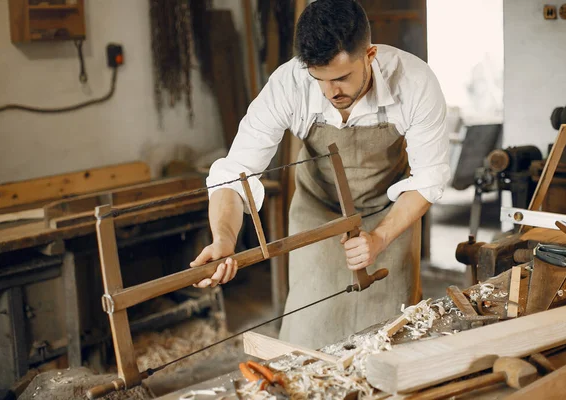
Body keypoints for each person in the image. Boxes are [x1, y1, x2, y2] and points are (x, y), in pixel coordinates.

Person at [190, 0, 450, 349]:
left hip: (389, 213)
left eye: (342, 77)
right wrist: (223, 236)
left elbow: (429, 179)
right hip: (318, 210)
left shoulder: (415, 83)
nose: (332, 93)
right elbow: (236, 172)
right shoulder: (289, 85)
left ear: (370, 55)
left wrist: (380, 238)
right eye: (321, 80)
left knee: (393, 338)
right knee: (308, 338)